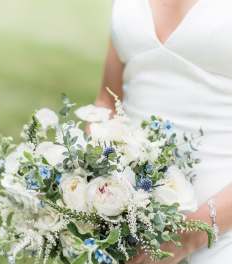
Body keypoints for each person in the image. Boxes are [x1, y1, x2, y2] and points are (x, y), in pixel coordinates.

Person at [94, 0, 232, 263]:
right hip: (128, 228)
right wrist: (87, 175)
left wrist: (191, 235)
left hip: (222, 230)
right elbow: (107, 100)